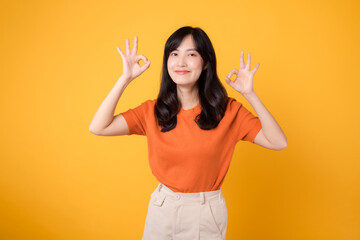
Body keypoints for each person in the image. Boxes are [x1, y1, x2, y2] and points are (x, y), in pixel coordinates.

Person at [89, 26, 287, 240]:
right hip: (162, 209)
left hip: (205, 212)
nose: (180, 62)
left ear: (206, 63)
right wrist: (125, 79)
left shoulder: (228, 111)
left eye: (191, 54)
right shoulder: (153, 111)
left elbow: (278, 142)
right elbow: (99, 127)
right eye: (174, 54)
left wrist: (250, 94)